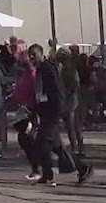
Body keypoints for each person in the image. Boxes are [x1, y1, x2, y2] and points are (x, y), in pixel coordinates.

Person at [29, 44, 91, 186]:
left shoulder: (47, 68)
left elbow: (57, 90)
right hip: (46, 111)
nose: (32, 57)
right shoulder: (40, 69)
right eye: (30, 55)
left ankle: (49, 174)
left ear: (41, 54)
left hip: (52, 112)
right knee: (57, 146)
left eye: (34, 54)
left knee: (42, 142)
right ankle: (82, 168)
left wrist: (58, 109)